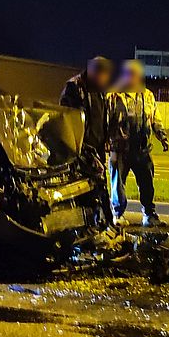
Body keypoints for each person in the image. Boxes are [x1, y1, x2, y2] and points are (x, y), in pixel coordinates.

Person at [108, 59, 169, 227]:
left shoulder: (147, 95)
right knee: (118, 184)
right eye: (130, 74)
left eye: (136, 74)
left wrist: (162, 136)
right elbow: (105, 121)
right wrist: (106, 142)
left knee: (147, 183)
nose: (133, 78)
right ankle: (118, 214)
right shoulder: (113, 95)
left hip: (142, 149)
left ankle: (149, 215)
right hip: (120, 149)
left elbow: (154, 118)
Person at [60, 57, 115, 229]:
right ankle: (86, 225)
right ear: (94, 72)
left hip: (97, 148)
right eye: (103, 75)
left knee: (99, 187)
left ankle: (104, 224)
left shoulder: (100, 90)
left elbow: (103, 116)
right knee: (84, 189)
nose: (106, 80)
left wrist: (106, 139)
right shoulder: (75, 87)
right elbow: (67, 118)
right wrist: (79, 147)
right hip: (81, 150)